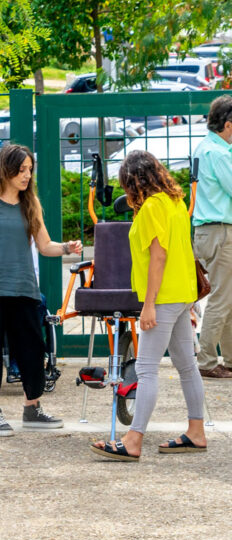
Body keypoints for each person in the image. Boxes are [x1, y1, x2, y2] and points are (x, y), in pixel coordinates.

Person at [0, 144, 78, 437]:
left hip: (24, 289)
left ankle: (32, 408)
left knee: (32, 350)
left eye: (29, 170)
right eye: (21, 170)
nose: (26, 175)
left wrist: (66, 248)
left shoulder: (29, 202)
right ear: (6, 169)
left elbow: (45, 245)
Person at [91, 151, 207, 460]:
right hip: (181, 293)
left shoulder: (153, 207)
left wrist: (149, 305)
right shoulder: (175, 202)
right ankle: (196, 431)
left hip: (164, 297)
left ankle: (133, 440)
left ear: (132, 181)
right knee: (186, 365)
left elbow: (159, 256)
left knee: (145, 368)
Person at [191, 95, 232, 378]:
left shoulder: (203, 148)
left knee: (227, 297)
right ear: (228, 125)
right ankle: (206, 361)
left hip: (208, 231)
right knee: (221, 298)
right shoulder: (218, 154)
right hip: (220, 231)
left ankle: (229, 359)